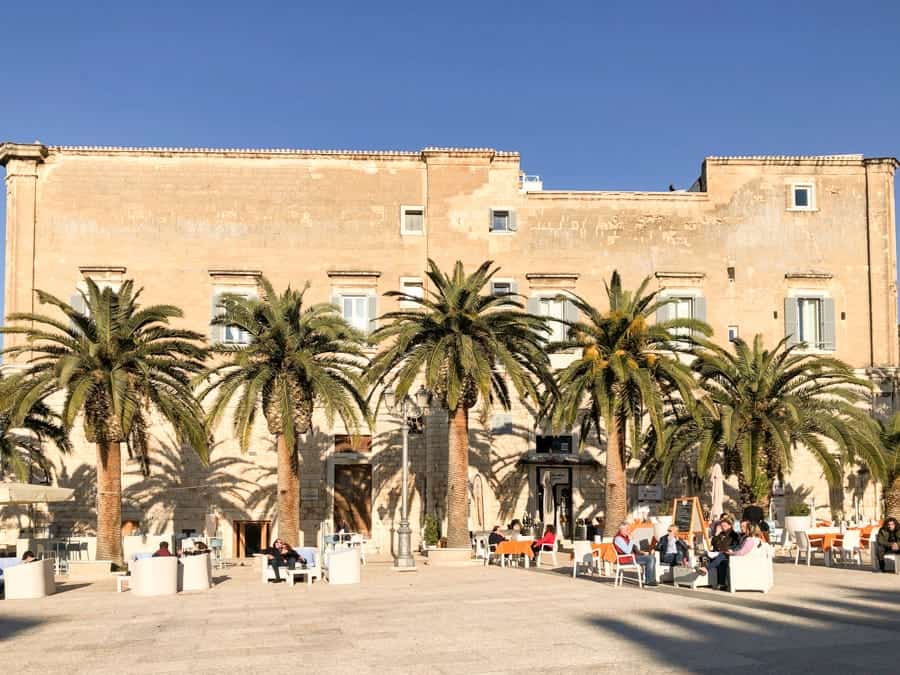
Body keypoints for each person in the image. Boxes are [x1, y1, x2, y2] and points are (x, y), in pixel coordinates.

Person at [698, 515, 740, 588]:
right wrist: (716, 534)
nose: (723, 527)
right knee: (704, 557)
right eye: (721, 525)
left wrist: (722, 549)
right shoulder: (720, 534)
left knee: (722, 561)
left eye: (724, 525)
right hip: (716, 554)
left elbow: (733, 546)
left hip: (727, 555)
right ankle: (707, 580)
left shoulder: (734, 535)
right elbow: (713, 543)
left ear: (730, 526)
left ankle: (708, 571)